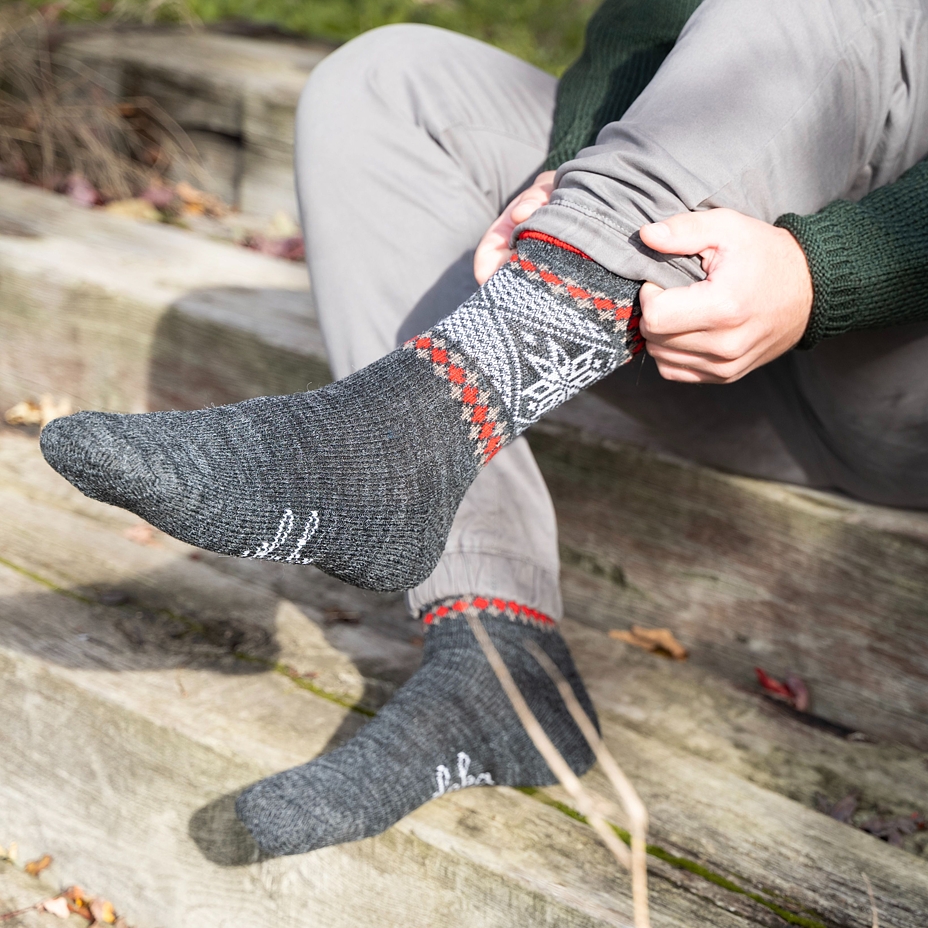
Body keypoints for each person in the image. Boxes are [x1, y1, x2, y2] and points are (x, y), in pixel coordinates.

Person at [40, 0, 928, 856]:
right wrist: (578, 180)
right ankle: (499, 659)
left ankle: (386, 444)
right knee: (386, 84)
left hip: (895, 380)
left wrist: (824, 274)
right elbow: (649, 17)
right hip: (690, 328)